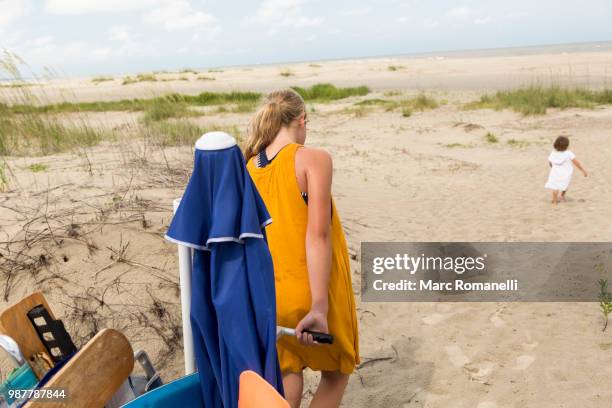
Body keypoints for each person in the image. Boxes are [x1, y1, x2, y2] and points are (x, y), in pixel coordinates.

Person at [244, 89, 359, 408]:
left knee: (288, 372)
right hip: (312, 289)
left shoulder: (251, 165)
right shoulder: (312, 159)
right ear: (302, 120)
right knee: (336, 372)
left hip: (271, 295)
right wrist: (319, 307)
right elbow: (318, 236)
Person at [544, 135, 587, 205]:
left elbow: (550, 161)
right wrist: (583, 170)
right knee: (565, 184)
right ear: (567, 146)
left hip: (555, 173)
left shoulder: (553, 152)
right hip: (565, 173)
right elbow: (576, 163)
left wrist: (551, 166)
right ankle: (562, 195)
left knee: (555, 187)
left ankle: (554, 201)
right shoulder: (569, 153)